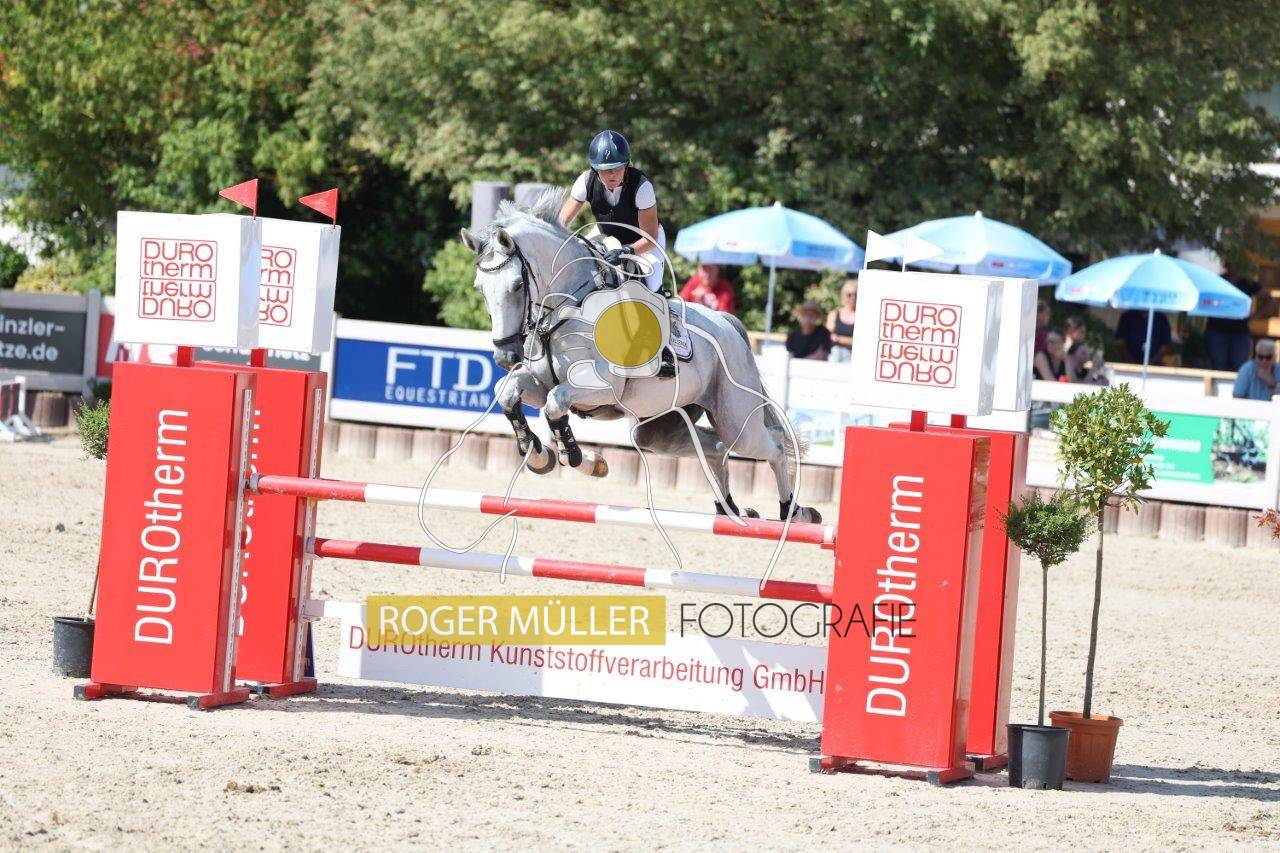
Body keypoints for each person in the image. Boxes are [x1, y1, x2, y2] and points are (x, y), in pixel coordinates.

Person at [559, 129, 675, 376]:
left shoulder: (641, 186)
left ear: (626, 165)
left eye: (617, 168)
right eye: (605, 170)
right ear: (595, 169)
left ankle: (664, 347)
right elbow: (561, 223)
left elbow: (650, 237)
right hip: (606, 237)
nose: (611, 175)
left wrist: (627, 250)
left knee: (651, 281)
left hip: (642, 242)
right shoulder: (585, 181)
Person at [1206, 270, 1258, 371]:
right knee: (1218, 367)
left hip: (1240, 331)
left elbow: (1269, 299)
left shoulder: (1247, 283)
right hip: (1217, 329)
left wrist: (1255, 315)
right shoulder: (1216, 280)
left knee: (1239, 368)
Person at [1064, 315, 1107, 384]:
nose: (1083, 335)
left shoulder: (1080, 347)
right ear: (1070, 331)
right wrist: (1093, 367)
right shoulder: (1069, 354)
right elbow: (1077, 384)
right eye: (1081, 332)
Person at [825, 278, 857, 363]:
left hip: (852, 356)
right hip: (834, 354)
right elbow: (828, 336)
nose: (853, 298)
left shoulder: (861, 317)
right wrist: (848, 340)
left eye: (856, 295)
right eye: (849, 295)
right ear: (843, 295)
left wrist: (838, 339)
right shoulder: (834, 314)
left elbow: (859, 342)